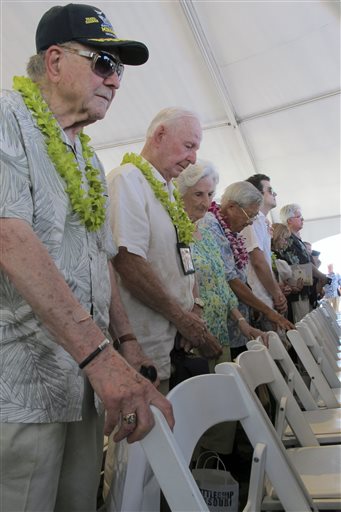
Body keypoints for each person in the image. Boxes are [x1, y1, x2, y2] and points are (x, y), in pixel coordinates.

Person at [0, 4, 173, 512]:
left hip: (84, 384)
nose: (115, 81)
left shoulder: (87, 157)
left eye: (118, 69)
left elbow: (100, 259)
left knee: (79, 502)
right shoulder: (7, 118)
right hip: (24, 388)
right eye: (103, 63)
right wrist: (103, 359)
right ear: (54, 62)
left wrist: (125, 342)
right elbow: (10, 239)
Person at [106, 107, 221, 393]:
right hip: (144, 348)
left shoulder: (167, 190)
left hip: (171, 343)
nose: (193, 157)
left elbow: (177, 264)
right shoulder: (128, 180)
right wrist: (183, 320)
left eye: (196, 149)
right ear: (159, 135)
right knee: (147, 434)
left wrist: (191, 312)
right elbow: (128, 262)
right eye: (188, 146)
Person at [177, 160, 268, 457]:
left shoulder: (205, 231)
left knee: (223, 416)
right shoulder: (177, 231)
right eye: (198, 195)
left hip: (221, 335)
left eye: (209, 195)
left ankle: (219, 478)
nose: (205, 202)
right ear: (179, 195)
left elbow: (221, 283)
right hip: (195, 338)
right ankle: (205, 480)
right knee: (202, 419)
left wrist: (242, 321)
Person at [204, 184, 294, 358]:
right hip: (224, 325)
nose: (250, 222)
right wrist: (270, 312)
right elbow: (231, 280)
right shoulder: (212, 226)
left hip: (240, 322)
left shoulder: (230, 230)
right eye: (249, 215)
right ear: (231, 206)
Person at [240, 174, 288, 331]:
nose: (274, 194)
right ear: (257, 194)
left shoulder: (261, 221)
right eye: (270, 190)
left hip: (266, 295)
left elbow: (265, 262)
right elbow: (258, 262)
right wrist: (277, 294)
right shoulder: (250, 220)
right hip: (259, 298)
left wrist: (276, 290)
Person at [278, 203, 330, 322]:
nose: (302, 219)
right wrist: (321, 276)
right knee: (303, 325)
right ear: (289, 220)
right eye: (299, 216)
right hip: (298, 292)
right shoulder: (288, 240)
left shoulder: (296, 239)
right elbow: (302, 266)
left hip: (306, 291)